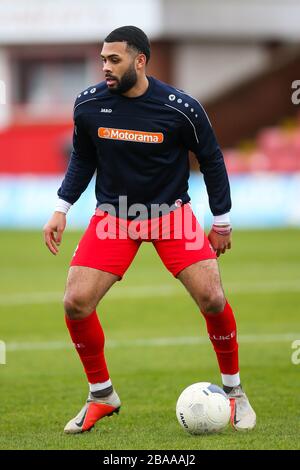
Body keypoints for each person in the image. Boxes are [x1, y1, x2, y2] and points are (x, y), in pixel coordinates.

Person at [43, 25, 256, 434]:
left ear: (140, 61)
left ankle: (234, 393)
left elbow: (211, 159)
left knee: (212, 297)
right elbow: (83, 158)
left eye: (114, 59)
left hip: (170, 214)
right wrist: (61, 208)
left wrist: (222, 220)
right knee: (76, 301)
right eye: (103, 59)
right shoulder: (88, 104)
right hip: (114, 216)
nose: (105, 66)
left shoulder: (180, 108)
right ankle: (101, 395)